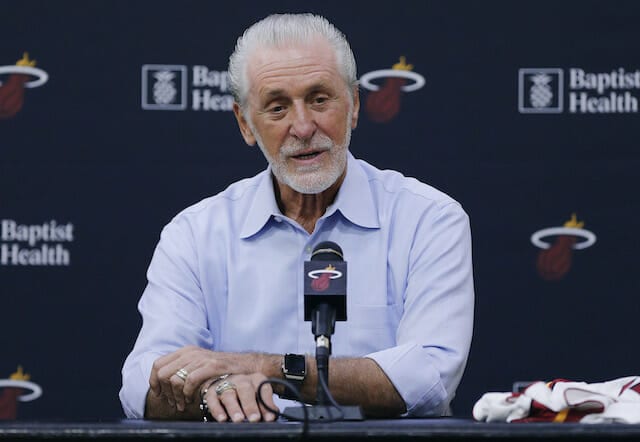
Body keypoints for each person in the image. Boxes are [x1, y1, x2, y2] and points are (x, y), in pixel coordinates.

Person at [120, 13, 474, 423]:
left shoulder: (428, 219)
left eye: (320, 99)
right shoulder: (195, 234)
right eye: (277, 107)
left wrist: (263, 369)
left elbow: (429, 377)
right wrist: (211, 390)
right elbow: (141, 385)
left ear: (355, 105)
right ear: (245, 124)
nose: (303, 127)